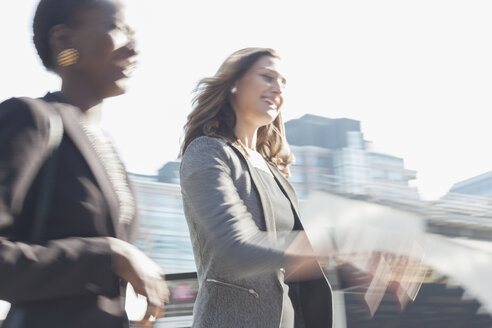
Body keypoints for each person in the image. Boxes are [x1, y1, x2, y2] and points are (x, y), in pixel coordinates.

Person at [0, 0, 168, 327]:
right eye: (117, 27)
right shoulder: (29, 118)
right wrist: (109, 256)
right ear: (62, 39)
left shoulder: (105, 144)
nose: (133, 48)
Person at [180, 48, 333, 328]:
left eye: (283, 82)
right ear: (234, 83)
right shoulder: (207, 152)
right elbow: (234, 250)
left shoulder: (276, 174)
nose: (278, 89)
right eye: (267, 77)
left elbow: (299, 267)